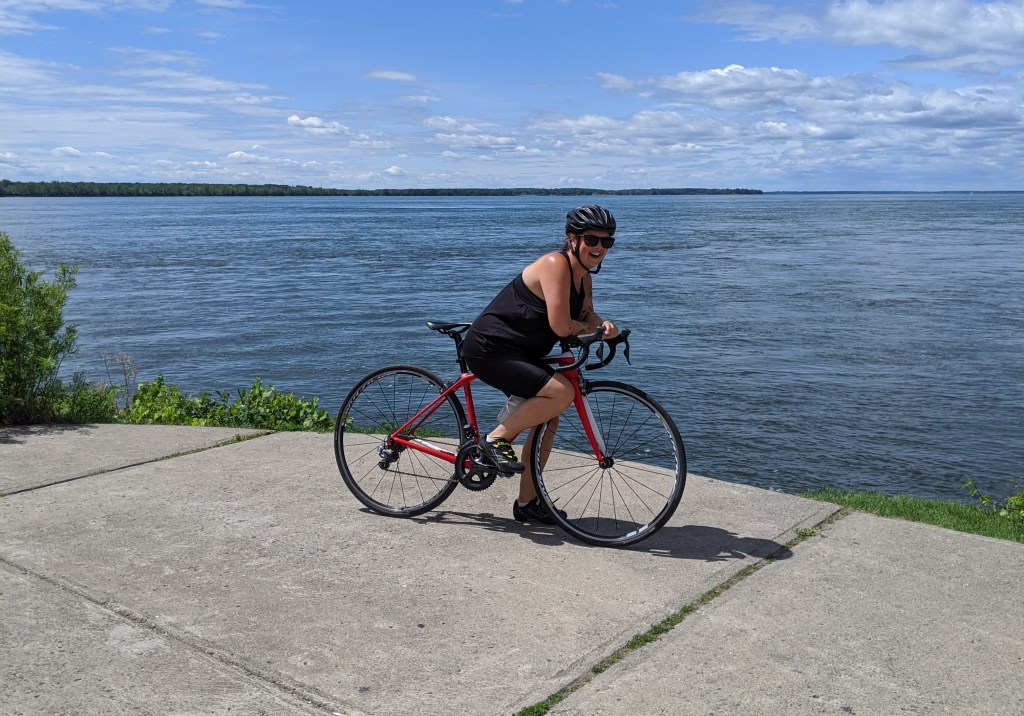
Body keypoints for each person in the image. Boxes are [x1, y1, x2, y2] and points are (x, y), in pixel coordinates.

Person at [463, 204, 620, 524]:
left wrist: (604, 325)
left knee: (549, 418)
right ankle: (495, 439)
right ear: (573, 239)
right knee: (560, 394)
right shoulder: (554, 265)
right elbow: (563, 326)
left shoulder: (584, 279)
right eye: (592, 239)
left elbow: (586, 315)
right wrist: (588, 330)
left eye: (607, 242)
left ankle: (527, 503)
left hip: (522, 353)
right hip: (490, 348)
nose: (599, 248)